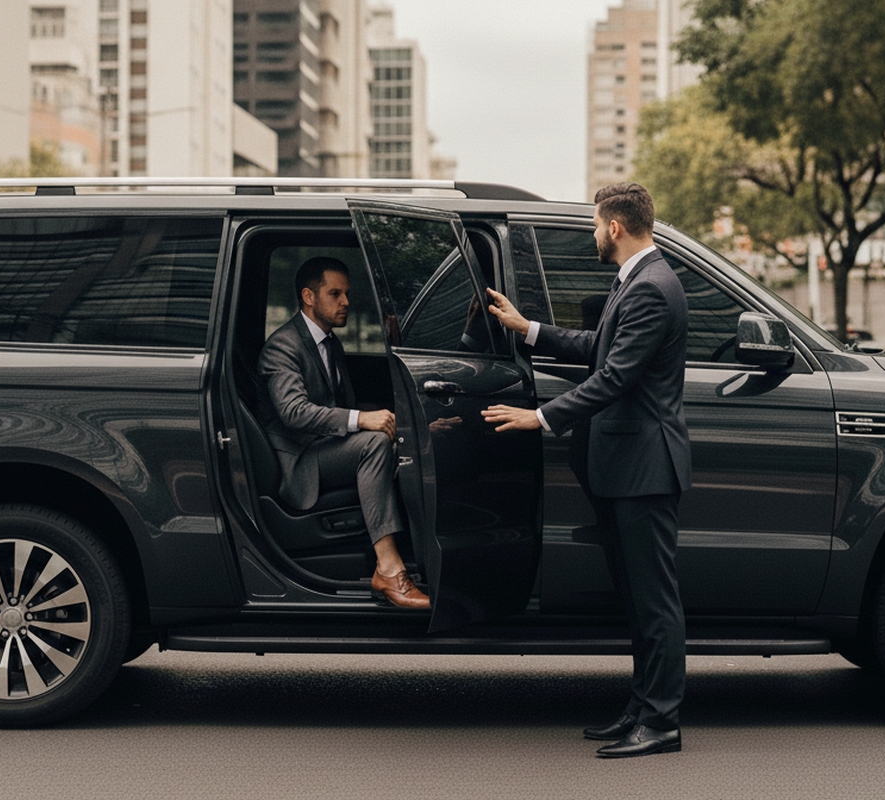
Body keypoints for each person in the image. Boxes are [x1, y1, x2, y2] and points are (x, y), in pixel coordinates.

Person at [481, 182, 690, 758]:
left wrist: (538, 418)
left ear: (615, 227)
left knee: (654, 603)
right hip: (628, 468)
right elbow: (600, 346)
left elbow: (614, 377)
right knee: (639, 601)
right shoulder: (639, 281)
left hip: (645, 469)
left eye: (596, 226)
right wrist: (529, 329)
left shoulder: (651, 287)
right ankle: (641, 712)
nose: (594, 235)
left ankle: (662, 723)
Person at [258, 256, 429, 610]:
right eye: (335, 294)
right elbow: (294, 412)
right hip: (301, 459)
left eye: (347, 293)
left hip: (328, 447)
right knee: (373, 443)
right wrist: (362, 420)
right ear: (308, 296)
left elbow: (349, 406)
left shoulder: (331, 344)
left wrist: (414, 429)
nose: (346, 302)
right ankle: (388, 567)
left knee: (402, 443)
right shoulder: (283, 346)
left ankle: (422, 556)